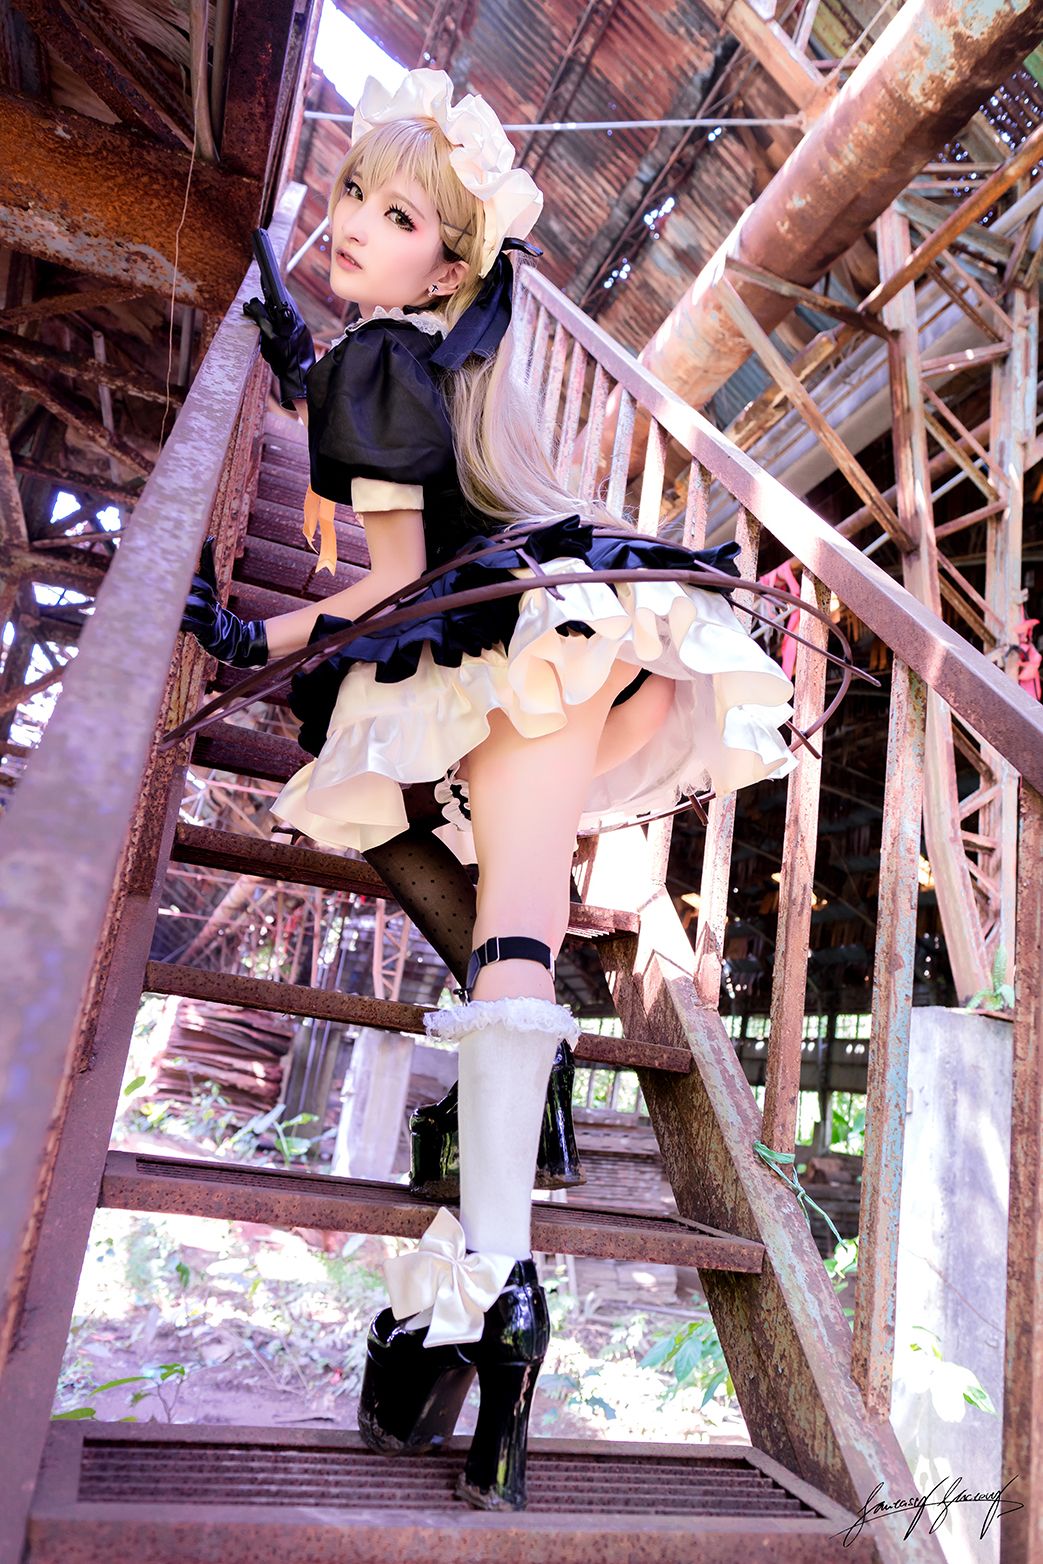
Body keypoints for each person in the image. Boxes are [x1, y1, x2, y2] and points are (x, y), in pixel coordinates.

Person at [180, 66, 815, 1510]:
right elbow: (394, 456)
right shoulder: (427, 365)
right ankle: (501, 1248)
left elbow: (385, 585)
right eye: (353, 191)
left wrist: (251, 639)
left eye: (397, 214)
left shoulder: (379, 364)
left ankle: (502, 1287)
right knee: (473, 895)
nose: (353, 219)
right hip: (580, 639)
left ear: (446, 267)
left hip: (512, 647)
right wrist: (302, 370)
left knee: (452, 882)